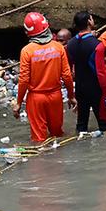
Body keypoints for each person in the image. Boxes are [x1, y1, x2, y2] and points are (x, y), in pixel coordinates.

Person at [13, 12, 76, 143]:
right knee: (58, 135)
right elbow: (67, 75)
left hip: (36, 98)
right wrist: (71, 96)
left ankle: (41, 163)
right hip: (55, 96)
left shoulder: (27, 51)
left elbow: (24, 79)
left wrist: (19, 102)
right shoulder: (58, 47)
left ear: (27, 32)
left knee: (39, 140)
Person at [67, 11, 106, 136]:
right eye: (92, 19)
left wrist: (71, 94)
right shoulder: (98, 46)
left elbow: (69, 71)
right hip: (96, 88)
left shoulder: (70, 44)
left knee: (81, 125)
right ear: (89, 22)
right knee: (105, 125)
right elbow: (101, 72)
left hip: (80, 88)